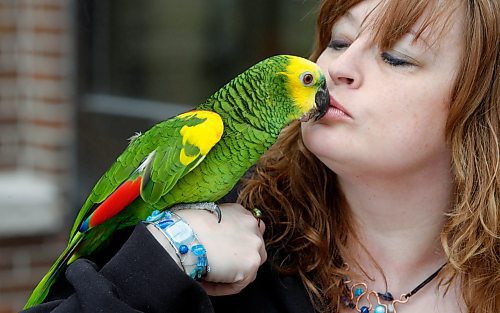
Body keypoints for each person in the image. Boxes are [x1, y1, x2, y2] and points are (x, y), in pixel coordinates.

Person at [23, 0, 499, 312]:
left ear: (479, 102)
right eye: (338, 41)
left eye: (396, 57)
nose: (336, 69)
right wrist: (167, 256)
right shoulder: (224, 232)